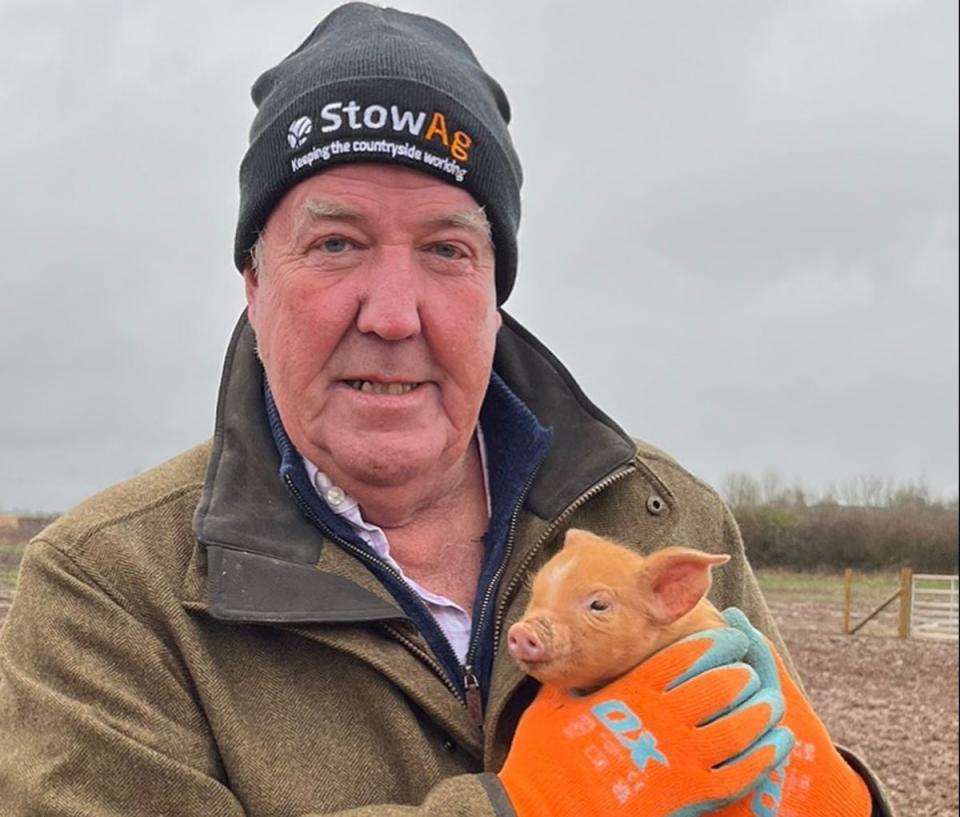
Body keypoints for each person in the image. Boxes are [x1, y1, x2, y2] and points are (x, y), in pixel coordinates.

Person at [0, 4, 892, 816]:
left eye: (445, 249)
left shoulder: (659, 517)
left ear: (493, 292)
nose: (393, 313)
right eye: (336, 242)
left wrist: (846, 800)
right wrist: (524, 807)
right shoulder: (107, 591)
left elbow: (772, 771)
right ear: (253, 282)